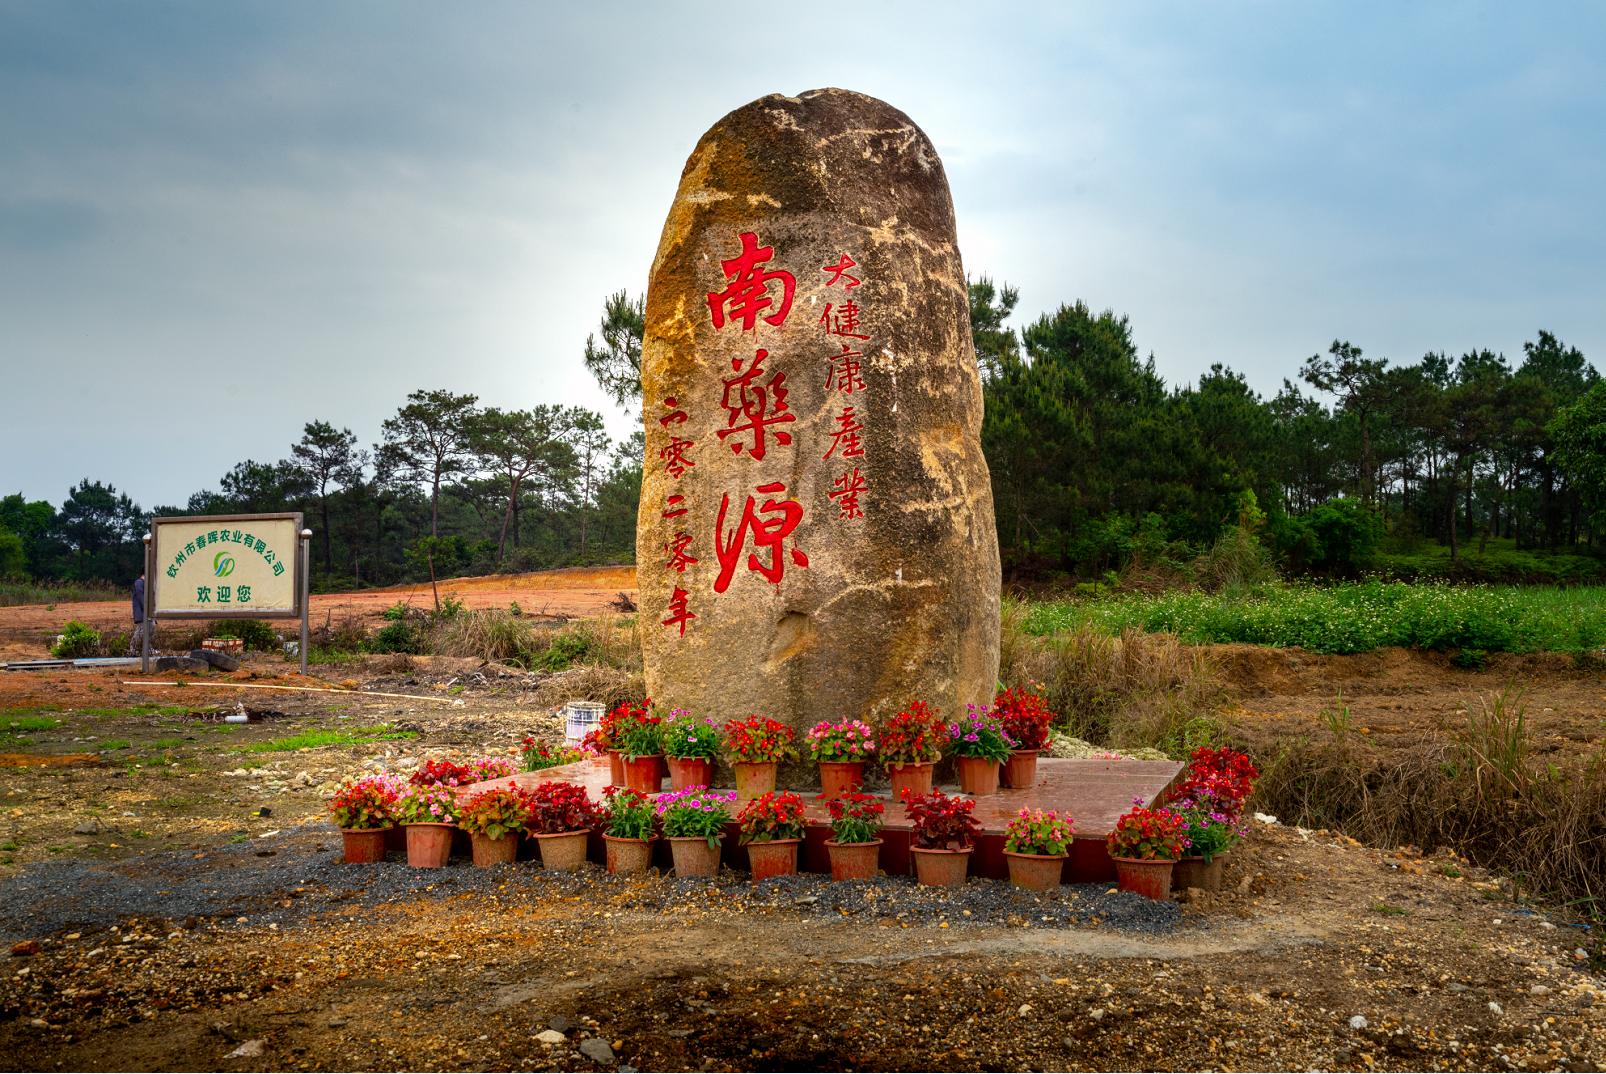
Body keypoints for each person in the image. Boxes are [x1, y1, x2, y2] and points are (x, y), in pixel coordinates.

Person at [128, 573, 149, 656]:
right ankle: (133, 649)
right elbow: (141, 597)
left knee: (150, 629)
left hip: (146, 612)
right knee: (141, 630)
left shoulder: (145, 583)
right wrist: (147, 607)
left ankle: (147, 648)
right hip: (141, 612)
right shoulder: (139, 583)